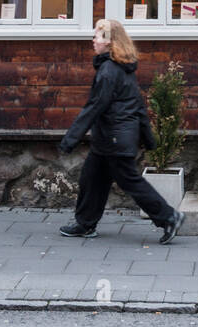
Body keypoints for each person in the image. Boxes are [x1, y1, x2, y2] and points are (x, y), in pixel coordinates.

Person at [58, 18, 185, 244]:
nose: (93, 40)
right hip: (112, 138)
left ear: (108, 42)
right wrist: (148, 137)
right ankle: (85, 224)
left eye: (97, 36)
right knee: (91, 178)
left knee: (130, 182)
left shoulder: (108, 70)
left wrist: (70, 139)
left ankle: (168, 216)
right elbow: (137, 105)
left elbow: (95, 107)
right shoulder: (121, 67)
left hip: (114, 139)